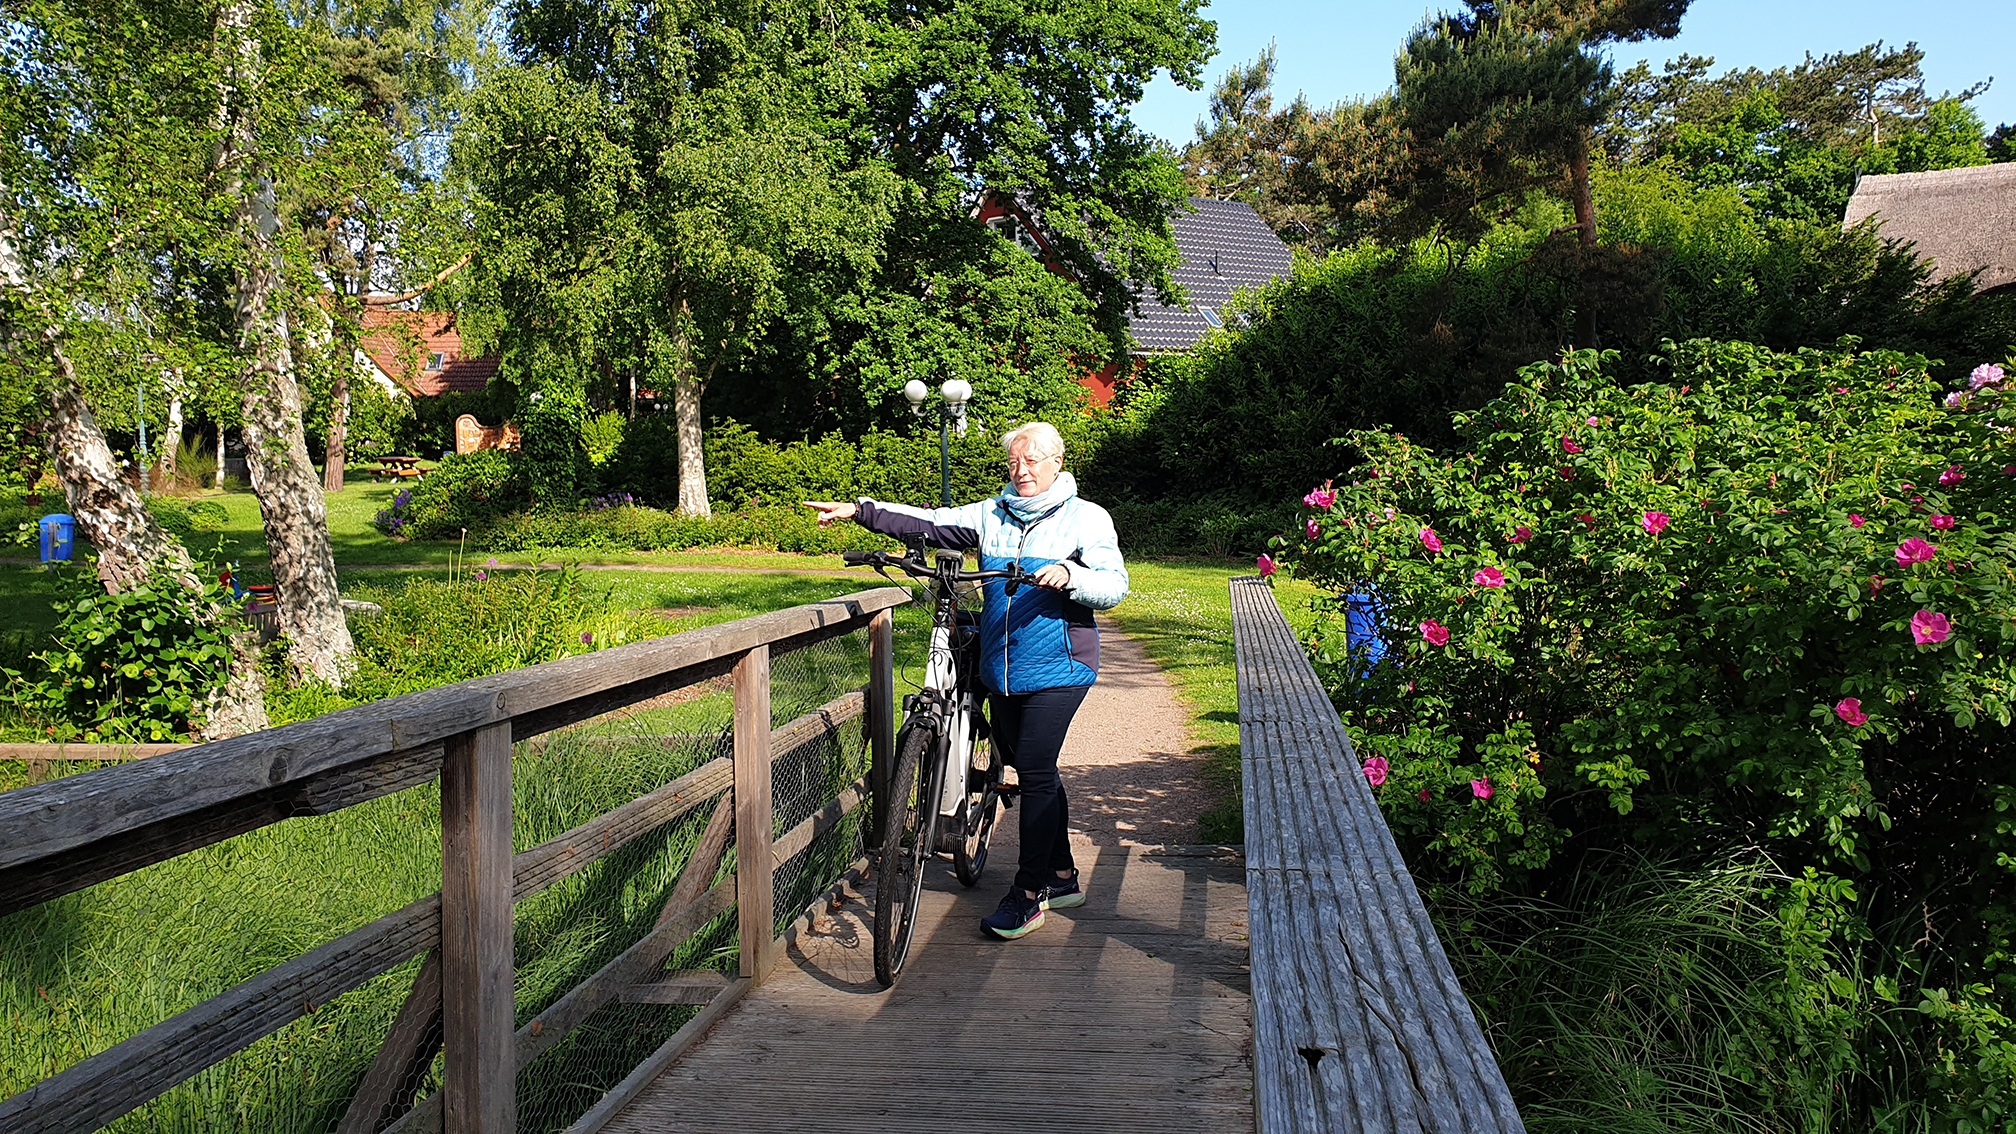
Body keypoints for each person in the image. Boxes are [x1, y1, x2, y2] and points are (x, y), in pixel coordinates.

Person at [804, 421, 1128, 939]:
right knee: (1025, 761)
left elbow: (1114, 585)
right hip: (1001, 670)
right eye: (1014, 463)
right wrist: (860, 511)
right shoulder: (990, 514)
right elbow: (929, 522)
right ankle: (1063, 874)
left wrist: (1073, 577)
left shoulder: (1086, 520)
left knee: (1037, 771)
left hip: (1061, 667)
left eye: (1033, 462)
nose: (1022, 471)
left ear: (1056, 464)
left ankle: (1028, 894)